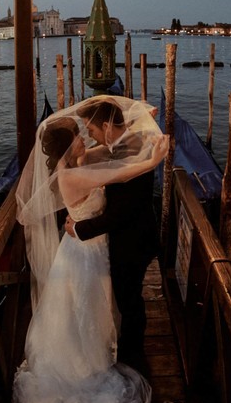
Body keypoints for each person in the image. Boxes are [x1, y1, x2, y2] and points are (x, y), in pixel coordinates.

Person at [12, 97, 169, 403]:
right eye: (80, 136)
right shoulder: (74, 173)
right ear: (70, 147)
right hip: (86, 251)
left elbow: (104, 152)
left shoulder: (75, 163)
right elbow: (121, 173)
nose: (87, 137)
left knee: (92, 307)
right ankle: (89, 364)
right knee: (88, 307)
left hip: (88, 248)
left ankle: (100, 353)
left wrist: (139, 119)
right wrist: (154, 161)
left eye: (89, 129)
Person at [64, 96, 160, 373]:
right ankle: (126, 347)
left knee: (130, 301)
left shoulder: (131, 151)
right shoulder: (124, 143)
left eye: (91, 130)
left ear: (106, 126)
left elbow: (120, 215)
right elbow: (104, 159)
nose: (90, 137)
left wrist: (78, 229)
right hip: (132, 235)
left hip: (133, 241)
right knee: (125, 297)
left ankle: (135, 358)